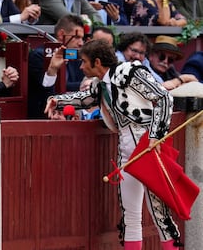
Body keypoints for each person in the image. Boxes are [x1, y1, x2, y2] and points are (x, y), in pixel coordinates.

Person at [45, 39, 183, 250]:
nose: (81, 67)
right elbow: (85, 98)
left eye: (83, 62)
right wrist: (57, 101)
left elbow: (164, 98)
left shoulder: (130, 71)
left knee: (159, 212)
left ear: (97, 61)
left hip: (148, 146)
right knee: (130, 214)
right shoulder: (102, 83)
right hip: (126, 151)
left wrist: (156, 135)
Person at [28, 14, 85, 118]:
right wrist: (82, 86)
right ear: (61, 34)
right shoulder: (39, 55)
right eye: (76, 37)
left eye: (82, 38)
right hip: (43, 116)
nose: (81, 43)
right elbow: (46, 89)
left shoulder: (74, 54)